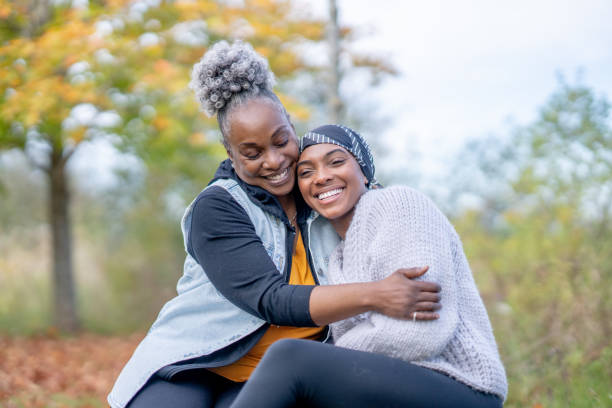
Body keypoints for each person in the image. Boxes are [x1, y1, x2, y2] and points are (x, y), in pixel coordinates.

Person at [107, 42, 442, 408]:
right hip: (195, 362)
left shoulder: (320, 195)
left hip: (280, 374)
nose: (273, 161)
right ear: (230, 153)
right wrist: (376, 294)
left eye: (281, 142)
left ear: (292, 129)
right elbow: (271, 299)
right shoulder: (218, 208)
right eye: (252, 153)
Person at [229, 125, 508, 408]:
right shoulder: (338, 259)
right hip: (395, 384)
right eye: (306, 172)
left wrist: (336, 353)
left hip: (461, 385)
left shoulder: (400, 205)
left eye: (336, 162)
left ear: (363, 170)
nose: (321, 177)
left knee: (290, 357)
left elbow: (419, 333)